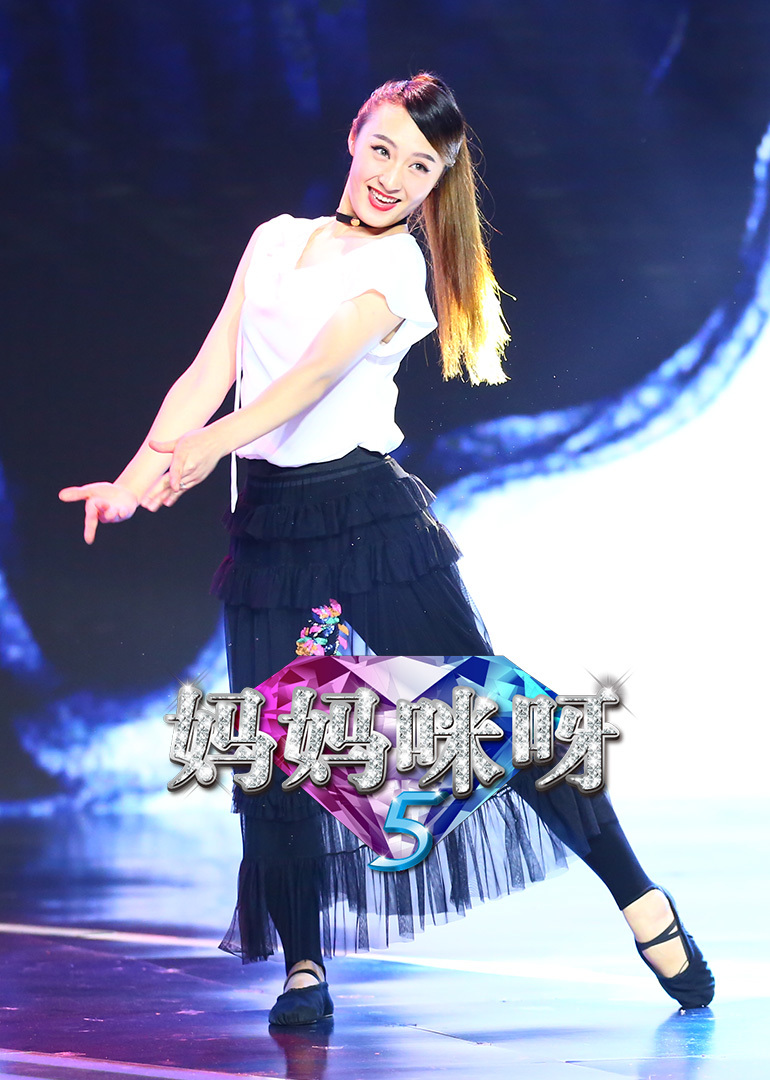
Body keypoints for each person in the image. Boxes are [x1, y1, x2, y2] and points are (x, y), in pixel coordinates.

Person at [60, 72, 714, 1027]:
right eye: (383, 150)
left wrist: (208, 447)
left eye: (419, 167)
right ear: (354, 138)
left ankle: (640, 897)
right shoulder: (273, 241)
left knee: (495, 711)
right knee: (277, 748)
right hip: (269, 529)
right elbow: (210, 369)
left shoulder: (401, 267)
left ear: (436, 183)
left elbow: (314, 377)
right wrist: (134, 477)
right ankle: (304, 968)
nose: (392, 177)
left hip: (370, 522)